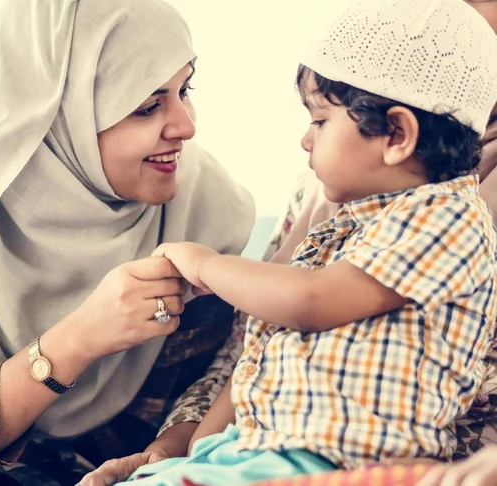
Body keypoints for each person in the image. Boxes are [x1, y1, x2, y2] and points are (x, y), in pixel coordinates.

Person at [78, 0, 497, 484]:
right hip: (268, 444)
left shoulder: (446, 219)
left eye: (320, 121)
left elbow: (306, 301)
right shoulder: (355, 219)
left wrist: (207, 266)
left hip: (335, 456)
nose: (305, 140)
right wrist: (187, 451)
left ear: (397, 134)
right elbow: (260, 352)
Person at [0, 0, 255, 485]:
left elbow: (207, 392)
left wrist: (163, 452)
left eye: (184, 90)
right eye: (148, 105)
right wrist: (81, 336)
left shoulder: (205, 209)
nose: (186, 125)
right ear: (57, 115)